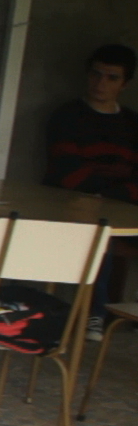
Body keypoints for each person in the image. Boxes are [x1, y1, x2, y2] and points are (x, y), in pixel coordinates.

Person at [42, 43, 138, 339]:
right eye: (96, 74)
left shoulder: (132, 124)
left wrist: (115, 196)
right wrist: (106, 194)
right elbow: (66, 171)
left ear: (124, 84)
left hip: (122, 205)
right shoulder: (68, 116)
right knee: (99, 230)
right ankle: (93, 314)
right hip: (74, 203)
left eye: (111, 77)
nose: (101, 83)